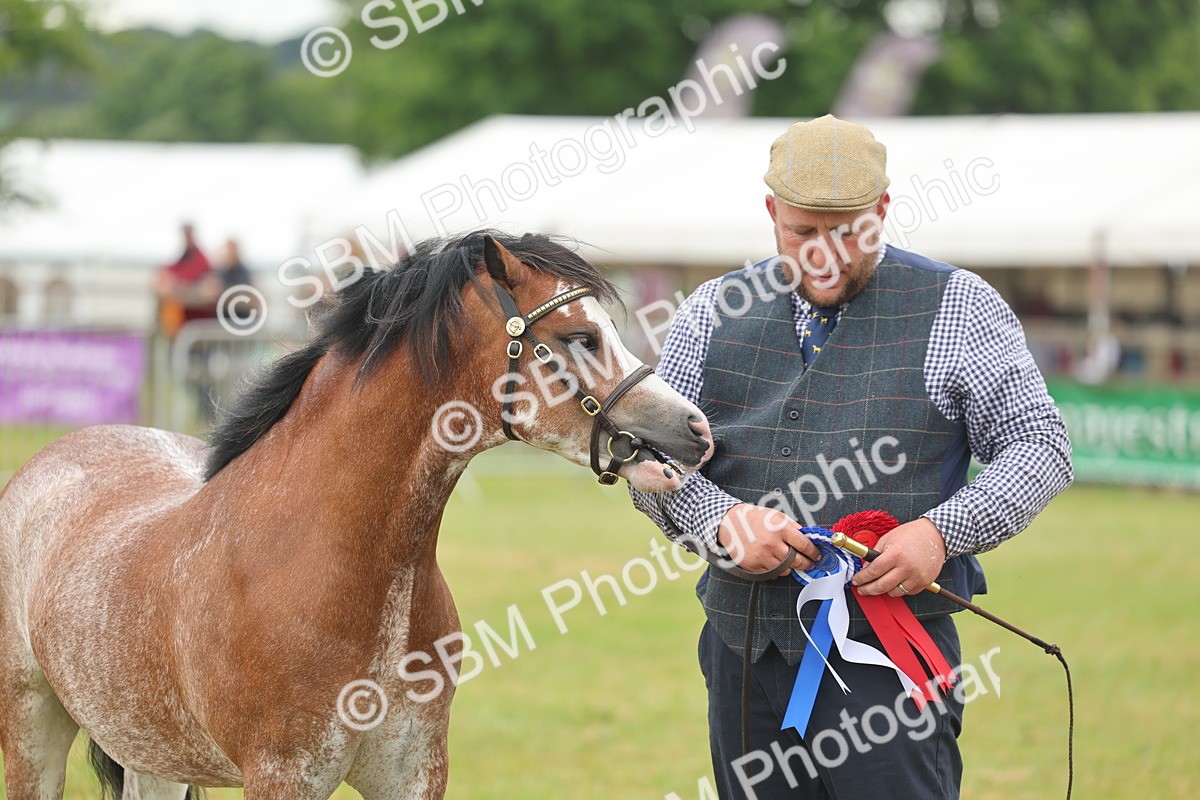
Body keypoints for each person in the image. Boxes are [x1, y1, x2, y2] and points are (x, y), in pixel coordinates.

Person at [630, 115, 1072, 798]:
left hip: (893, 654)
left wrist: (940, 533)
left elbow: (1039, 446)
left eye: (848, 232)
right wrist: (721, 522)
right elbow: (651, 460)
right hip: (743, 649)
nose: (823, 254)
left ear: (884, 212)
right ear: (771, 212)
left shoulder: (960, 305)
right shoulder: (709, 311)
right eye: (802, 232)